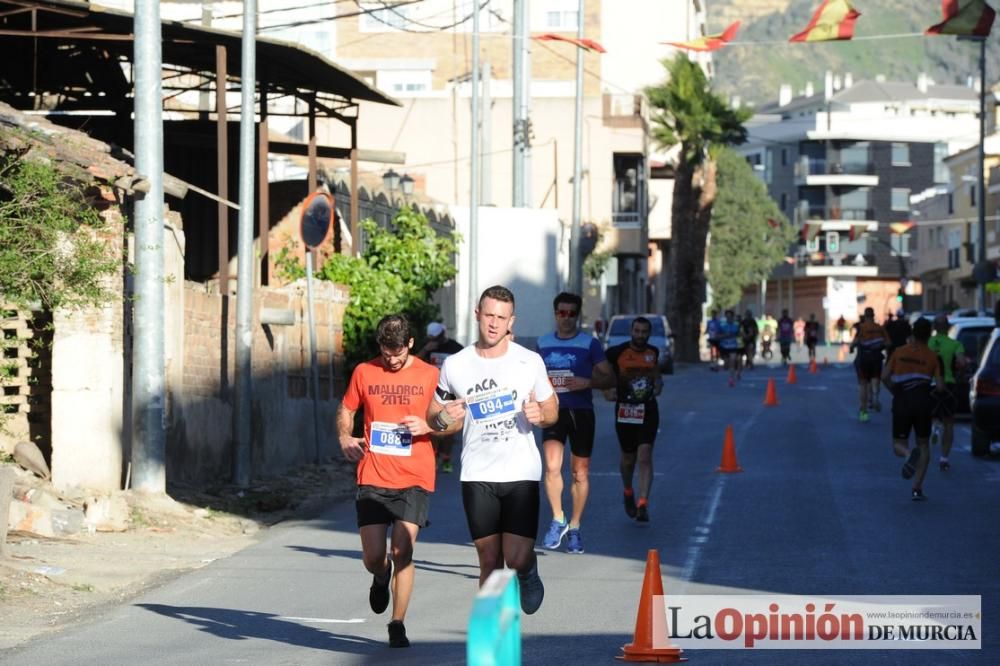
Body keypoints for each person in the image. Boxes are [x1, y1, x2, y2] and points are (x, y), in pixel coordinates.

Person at [427, 285, 558, 615]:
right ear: (477, 315)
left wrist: (540, 416)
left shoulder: (529, 362)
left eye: (502, 317)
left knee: (514, 557)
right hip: (476, 472)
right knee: (488, 559)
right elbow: (434, 414)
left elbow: (552, 408)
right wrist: (443, 419)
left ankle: (527, 570)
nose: (494, 323)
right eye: (489, 315)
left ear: (511, 321)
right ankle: (493, 632)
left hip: (520, 472)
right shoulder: (456, 364)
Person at [336, 314, 439, 648]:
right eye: (386, 351)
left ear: (410, 344)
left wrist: (430, 426)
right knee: (374, 556)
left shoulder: (430, 374)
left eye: (398, 352)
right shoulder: (365, 371)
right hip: (373, 475)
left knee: (403, 549)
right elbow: (347, 407)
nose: (392, 359)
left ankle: (398, 623)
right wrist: (344, 436)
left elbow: (450, 416)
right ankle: (381, 576)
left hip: (415, 476)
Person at [536, 292, 614, 554]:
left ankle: (576, 527)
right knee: (551, 467)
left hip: (581, 413)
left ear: (577, 316)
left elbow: (609, 378)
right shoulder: (543, 343)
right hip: (553, 412)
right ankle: (558, 519)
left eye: (571, 313)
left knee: (579, 473)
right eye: (561, 313)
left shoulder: (588, 343)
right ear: (555, 314)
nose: (566, 318)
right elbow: (531, 377)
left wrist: (588, 382)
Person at [605, 317, 663, 523]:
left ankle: (643, 503)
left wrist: (658, 385)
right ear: (632, 331)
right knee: (628, 460)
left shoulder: (652, 353)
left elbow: (657, 376)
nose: (640, 335)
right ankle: (628, 491)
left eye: (644, 332)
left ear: (649, 333)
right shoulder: (617, 353)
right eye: (637, 331)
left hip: (648, 410)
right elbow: (603, 373)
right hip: (625, 411)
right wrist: (607, 389)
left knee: (645, 455)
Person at [881, 318, 944, 501]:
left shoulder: (899, 352)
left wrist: (896, 391)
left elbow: (884, 376)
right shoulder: (933, 356)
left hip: (901, 402)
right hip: (924, 404)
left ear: (913, 333)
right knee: (923, 445)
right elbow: (939, 387)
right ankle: (917, 489)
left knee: (897, 445)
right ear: (929, 334)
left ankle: (908, 454)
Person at [416, 322, 464, 474]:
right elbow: (414, 364)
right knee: (433, 426)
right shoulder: (428, 347)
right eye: (431, 338)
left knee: (448, 426)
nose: (433, 341)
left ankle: (447, 459)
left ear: (442, 334)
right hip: (431, 392)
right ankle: (435, 457)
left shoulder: (455, 348)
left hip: (450, 393)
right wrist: (425, 350)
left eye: (435, 338)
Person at [927, 314, 966, 471]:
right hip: (949, 385)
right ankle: (944, 458)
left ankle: (934, 427)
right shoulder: (955, 344)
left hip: (930, 385)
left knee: (932, 414)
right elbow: (962, 363)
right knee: (949, 422)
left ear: (934, 328)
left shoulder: (927, 343)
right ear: (949, 327)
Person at [850, 307, 890, 422]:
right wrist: (880, 345)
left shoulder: (861, 328)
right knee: (875, 379)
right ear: (873, 316)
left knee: (863, 384)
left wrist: (852, 348)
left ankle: (863, 412)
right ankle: (876, 397)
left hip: (864, 358)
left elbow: (856, 341)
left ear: (865, 316)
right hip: (876, 357)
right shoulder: (880, 328)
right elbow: (888, 343)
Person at [718, 309, 743, 387]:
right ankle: (731, 373)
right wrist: (725, 336)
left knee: (733, 361)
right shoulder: (722, 326)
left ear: (732, 317)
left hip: (733, 346)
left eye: (730, 317)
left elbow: (740, 335)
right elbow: (718, 335)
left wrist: (736, 336)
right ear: (725, 317)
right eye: (727, 317)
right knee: (726, 364)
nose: (729, 318)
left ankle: (731, 379)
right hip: (724, 347)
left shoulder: (736, 325)